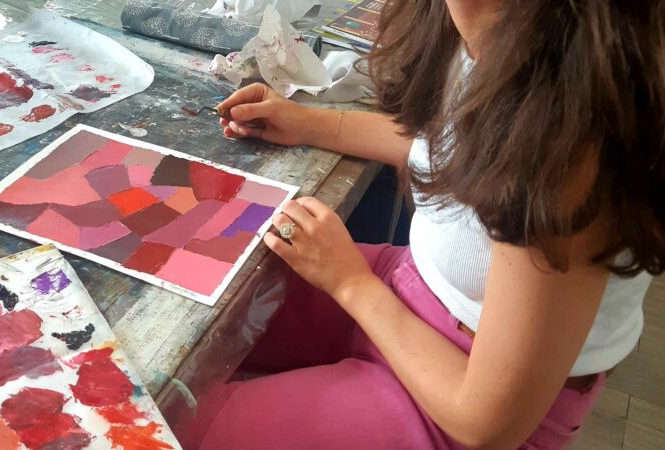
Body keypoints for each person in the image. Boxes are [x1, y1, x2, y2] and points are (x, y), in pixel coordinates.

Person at [179, 1, 664, 449]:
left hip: (468, 393)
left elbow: (486, 423)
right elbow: (445, 147)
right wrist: (307, 122)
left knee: (176, 427)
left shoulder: (572, 141)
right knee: (207, 282)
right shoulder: (485, 32)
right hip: (410, 288)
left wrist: (351, 284)